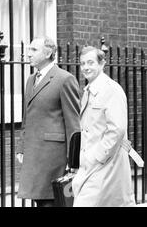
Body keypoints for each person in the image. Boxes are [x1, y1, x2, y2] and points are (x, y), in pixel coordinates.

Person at [16, 36, 80, 207]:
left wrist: (73, 162)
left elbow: (73, 124)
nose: (28, 54)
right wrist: (21, 146)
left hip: (54, 158)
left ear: (49, 53)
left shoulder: (65, 79)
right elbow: (27, 117)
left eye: (34, 50)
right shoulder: (31, 80)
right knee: (40, 201)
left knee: (52, 202)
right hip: (34, 156)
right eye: (29, 49)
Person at [72, 46, 135, 207]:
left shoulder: (111, 89)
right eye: (82, 63)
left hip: (106, 165)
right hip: (91, 166)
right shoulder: (89, 90)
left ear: (102, 64)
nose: (86, 67)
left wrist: (97, 157)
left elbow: (117, 129)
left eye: (90, 62)